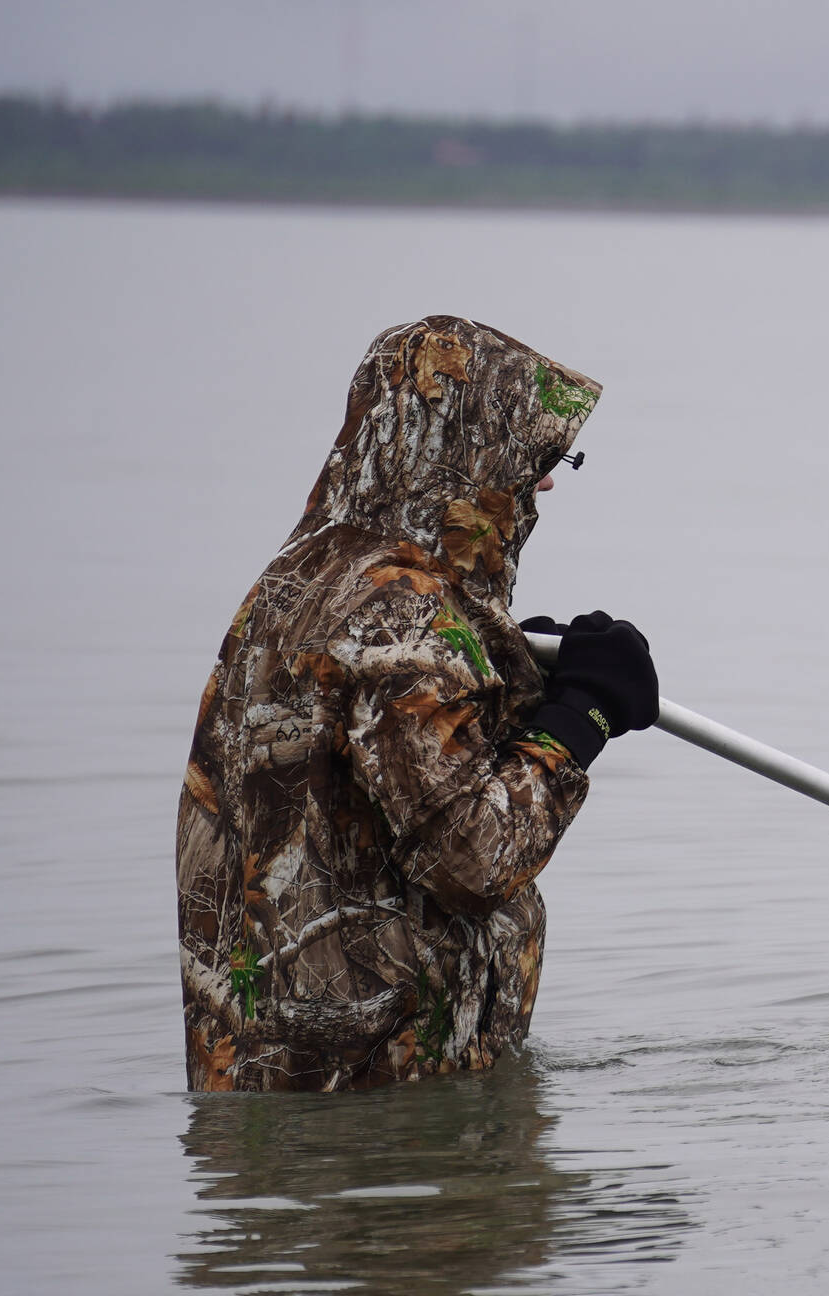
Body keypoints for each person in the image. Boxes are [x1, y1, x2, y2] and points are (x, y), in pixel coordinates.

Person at [176, 316, 657, 1092]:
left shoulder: (301, 578)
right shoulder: (401, 609)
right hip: (380, 1120)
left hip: (288, 1103)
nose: (546, 481)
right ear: (466, 446)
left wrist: (501, 679)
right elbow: (471, 854)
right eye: (532, 453)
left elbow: (372, 791)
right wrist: (581, 719)